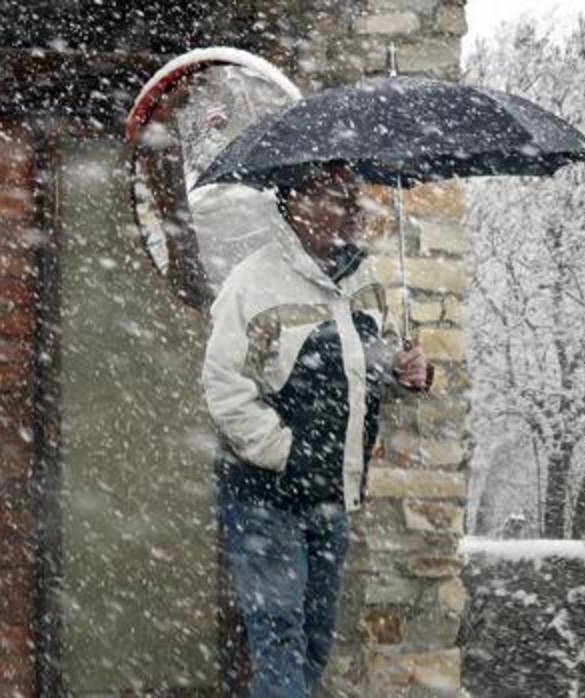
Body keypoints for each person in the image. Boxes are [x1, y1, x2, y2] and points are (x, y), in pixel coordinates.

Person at [202, 161, 430, 697]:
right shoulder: (253, 282)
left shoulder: (364, 278)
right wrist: (288, 452)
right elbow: (224, 389)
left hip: (331, 496)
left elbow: (369, 364)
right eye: (330, 197)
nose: (347, 211)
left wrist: (404, 369)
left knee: (316, 636)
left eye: (352, 198)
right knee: (278, 633)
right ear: (293, 204)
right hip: (266, 497)